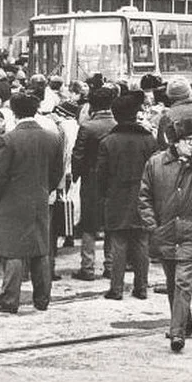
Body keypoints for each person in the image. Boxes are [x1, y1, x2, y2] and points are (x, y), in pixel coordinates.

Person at [139, 117, 192, 352]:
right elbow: (144, 196)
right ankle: (185, 323)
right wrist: (151, 225)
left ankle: (176, 333)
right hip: (165, 231)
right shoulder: (156, 163)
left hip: (191, 232)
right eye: (187, 140)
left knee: (184, 283)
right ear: (175, 142)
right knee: (173, 283)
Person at [0, 93, 63, 313]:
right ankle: (42, 299)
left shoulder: (8, 139)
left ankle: (10, 299)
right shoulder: (53, 137)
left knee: (13, 250)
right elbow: (56, 172)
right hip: (39, 198)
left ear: (13, 111)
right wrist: (44, 189)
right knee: (40, 248)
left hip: (12, 200)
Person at [97, 92, 158, 300]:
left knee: (118, 243)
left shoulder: (108, 142)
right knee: (142, 242)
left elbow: (101, 174)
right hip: (143, 196)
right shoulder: (149, 140)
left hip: (116, 196)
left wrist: (104, 193)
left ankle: (116, 288)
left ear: (116, 115)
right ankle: (141, 287)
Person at [71, 87, 116, 281]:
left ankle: (87, 267)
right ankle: (111, 266)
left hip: (91, 180)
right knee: (110, 225)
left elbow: (78, 155)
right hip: (113, 180)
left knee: (89, 225)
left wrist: (75, 176)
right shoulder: (117, 125)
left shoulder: (87, 127)